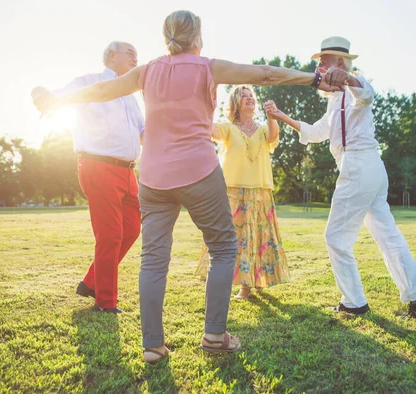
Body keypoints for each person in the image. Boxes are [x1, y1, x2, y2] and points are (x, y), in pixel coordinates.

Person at [32, 10, 343, 364]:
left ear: (167, 38)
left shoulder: (147, 70)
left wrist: (57, 100)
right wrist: (315, 79)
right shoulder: (207, 66)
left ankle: (152, 346)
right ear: (197, 38)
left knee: (153, 258)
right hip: (197, 171)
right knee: (225, 247)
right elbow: (266, 74)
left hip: (152, 178)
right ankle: (213, 335)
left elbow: (103, 90)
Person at [264, 36, 416, 319]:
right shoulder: (334, 100)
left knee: (335, 237)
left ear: (339, 62)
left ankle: (354, 302)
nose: (318, 65)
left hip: (359, 166)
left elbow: (367, 93)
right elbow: (318, 131)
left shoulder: (356, 86)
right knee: (388, 236)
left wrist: (347, 77)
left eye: (323, 60)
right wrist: (282, 116)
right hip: (369, 169)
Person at [31, 41, 144, 314]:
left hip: (128, 170)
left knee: (132, 228)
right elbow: (62, 94)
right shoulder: (91, 82)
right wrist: (44, 96)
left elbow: (143, 132)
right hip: (98, 165)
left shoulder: (131, 95)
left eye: (136, 53)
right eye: (127, 52)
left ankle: (91, 281)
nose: (134, 56)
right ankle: (105, 302)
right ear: (109, 56)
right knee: (111, 234)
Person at [195, 86, 290, 300]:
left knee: (258, 237)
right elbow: (208, 128)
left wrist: (272, 116)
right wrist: (205, 101)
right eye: (244, 96)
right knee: (236, 239)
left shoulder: (264, 129)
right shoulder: (229, 129)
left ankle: (257, 281)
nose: (250, 99)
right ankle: (243, 285)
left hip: (260, 190)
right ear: (236, 103)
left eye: (252, 97)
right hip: (233, 191)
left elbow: (273, 136)